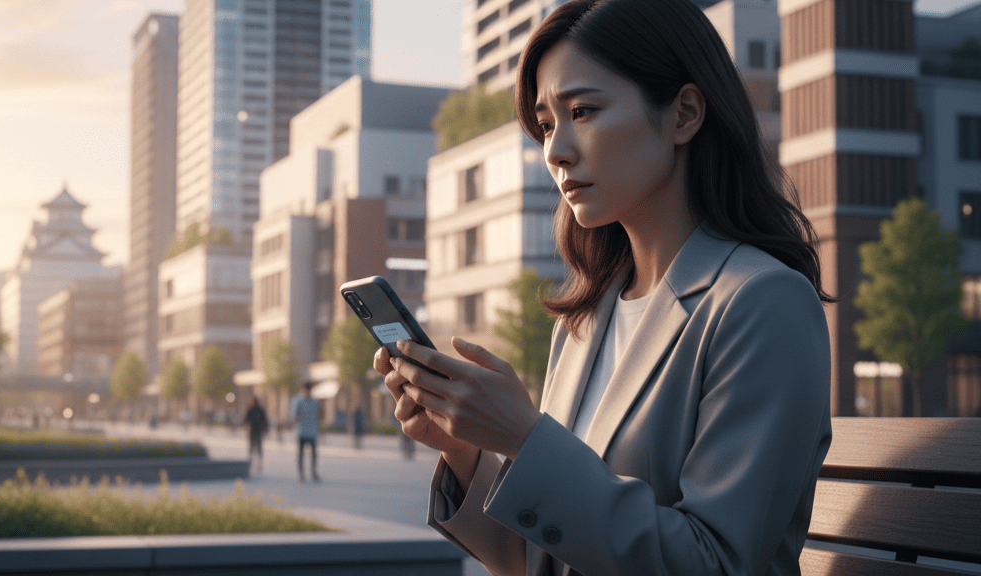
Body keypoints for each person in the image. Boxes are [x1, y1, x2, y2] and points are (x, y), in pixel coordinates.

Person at [373, 0, 834, 574]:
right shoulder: (587, 318)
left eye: (583, 111)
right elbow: (541, 559)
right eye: (545, 124)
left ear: (684, 114)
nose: (554, 150)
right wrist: (464, 449)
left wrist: (525, 438)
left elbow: (717, 563)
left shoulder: (762, 303)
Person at [289, 382, 321, 482]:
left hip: (313, 432)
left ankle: (313, 473)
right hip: (301, 432)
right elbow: (293, 416)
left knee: (314, 455)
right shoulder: (297, 401)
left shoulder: (315, 402)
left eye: (309, 390)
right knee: (301, 454)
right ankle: (301, 473)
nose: (308, 392)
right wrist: (296, 418)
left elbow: (319, 415)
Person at [242, 397, 269, 474]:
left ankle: (255, 463)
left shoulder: (253, 409)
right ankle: (255, 463)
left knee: (254, 449)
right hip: (256, 431)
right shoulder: (257, 410)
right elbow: (265, 420)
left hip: (255, 431)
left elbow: (246, 420)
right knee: (256, 449)